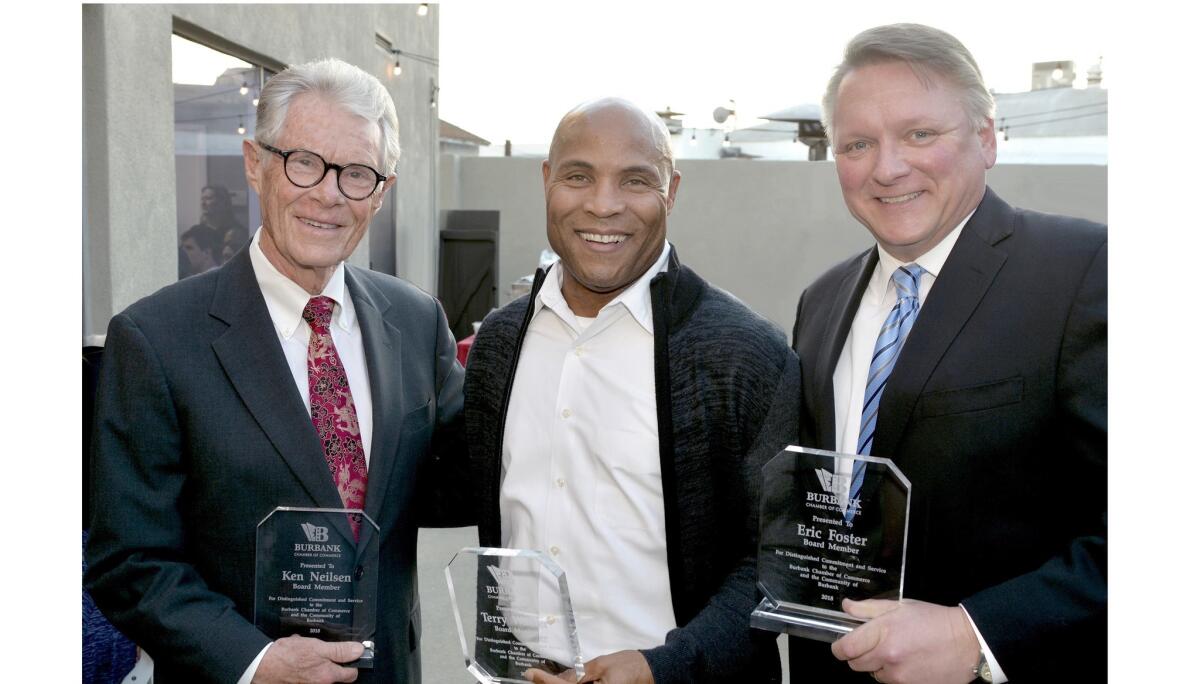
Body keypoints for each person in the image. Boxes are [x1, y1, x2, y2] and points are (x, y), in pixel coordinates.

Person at [85, 58, 465, 684]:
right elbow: (129, 560)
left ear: (382, 190)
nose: (329, 193)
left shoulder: (415, 321)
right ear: (255, 164)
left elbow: (459, 480)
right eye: (305, 161)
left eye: (357, 173)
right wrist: (255, 661)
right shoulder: (156, 339)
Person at [789, 24, 1106, 684]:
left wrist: (975, 635)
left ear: (986, 139)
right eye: (858, 144)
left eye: (919, 134)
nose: (887, 167)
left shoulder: (1085, 273)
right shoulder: (820, 304)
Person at [463, 98, 800, 684]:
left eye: (635, 181)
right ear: (547, 181)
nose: (603, 204)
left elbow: (775, 566)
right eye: (578, 176)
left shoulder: (745, 354)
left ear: (671, 190)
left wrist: (662, 668)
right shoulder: (499, 343)